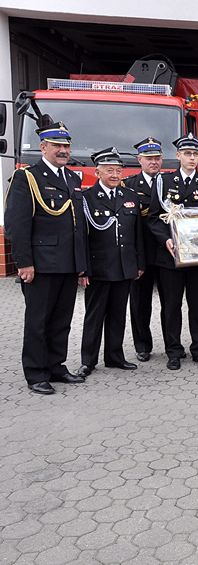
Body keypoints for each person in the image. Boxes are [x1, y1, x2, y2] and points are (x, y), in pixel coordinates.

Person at [4, 121, 87, 394]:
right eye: (57, 145)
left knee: (62, 321)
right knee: (38, 322)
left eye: (66, 145)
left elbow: (78, 226)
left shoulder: (72, 179)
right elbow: (17, 224)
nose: (63, 150)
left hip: (67, 263)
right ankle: (36, 373)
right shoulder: (28, 177)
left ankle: (56, 366)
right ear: (43, 147)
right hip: (41, 264)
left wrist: (81, 264)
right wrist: (24, 262)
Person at [147, 133, 198, 370]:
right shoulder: (163, 181)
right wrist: (166, 239)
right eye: (187, 153)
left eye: (195, 154)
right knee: (171, 306)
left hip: (197, 257)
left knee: (197, 306)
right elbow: (154, 218)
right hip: (170, 257)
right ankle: (174, 351)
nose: (192, 158)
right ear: (178, 156)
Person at [76, 147, 145, 377]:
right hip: (99, 268)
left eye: (118, 170)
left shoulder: (130, 197)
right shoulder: (86, 198)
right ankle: (88, 360)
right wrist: (83, 269)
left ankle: (115, 356)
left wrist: (139, 264)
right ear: (97, 172)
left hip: (124, 267)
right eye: (109, 170)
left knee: (118, 314)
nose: (115, 175)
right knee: (94, 316)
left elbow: (137, 234)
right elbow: (81, 237)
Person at [126, 137, 163, 362]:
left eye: (157, 158)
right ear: (139, 160)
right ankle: (142, 345)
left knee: (170, 303)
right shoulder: (129, 185)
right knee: (140, 303)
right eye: (149, 158)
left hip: (166, 252)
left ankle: (173, 344)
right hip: (141, 253)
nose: (154, 162)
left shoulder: (169, 182)